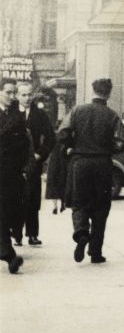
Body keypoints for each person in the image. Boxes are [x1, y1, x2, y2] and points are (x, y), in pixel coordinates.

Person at [58, 78, 124, 264]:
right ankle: (95, 251)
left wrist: (72, 145)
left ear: (93, 90)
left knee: (79, 203)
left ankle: (81, 232)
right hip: (102, 164)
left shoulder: (77, 111)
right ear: (109, 93)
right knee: (101, 207)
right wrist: (109, 149)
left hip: (80, 162)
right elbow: (122, 141)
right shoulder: (112, 115)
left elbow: (63, 132)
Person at [17, 84, 56, 246]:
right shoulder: (9, 112)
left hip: (34, 163)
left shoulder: (40, 115)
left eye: (28, 95)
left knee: (33, 198)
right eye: (23, 95)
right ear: (17, 96)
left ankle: (32, 234)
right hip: (14, 163)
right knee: (15, 198)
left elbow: (50, 138)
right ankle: (16, 233)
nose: (26, 98)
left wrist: (40, 154)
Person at [0, 80, 31, 274]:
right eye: (8, 93)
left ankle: (6, 250)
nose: (12, 97)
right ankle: (7, 252)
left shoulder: (16, 115)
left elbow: (24, 145)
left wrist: (24, 166)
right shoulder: (14, 118)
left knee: (10, 212)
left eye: (14, 93)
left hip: (12, 173)